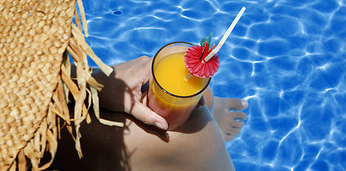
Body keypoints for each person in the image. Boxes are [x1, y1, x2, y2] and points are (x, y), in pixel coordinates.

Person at [50, 56, 248, 171]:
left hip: (40, 87)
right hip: (27, 134)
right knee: (193, 137)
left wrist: (90, 80)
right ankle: (206, 150)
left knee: (201, 94)